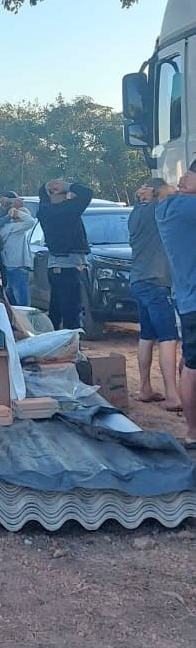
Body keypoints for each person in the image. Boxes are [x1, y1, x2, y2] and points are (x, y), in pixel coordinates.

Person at [128, 178, 181, 410]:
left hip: (139, 280)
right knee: (168, 338)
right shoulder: (156, 209)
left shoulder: (135, 213)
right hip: (156, 282)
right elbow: (172, 192)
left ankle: (145, 388)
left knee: (147, 335)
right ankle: (172, 395)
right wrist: (158, 192)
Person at [155, 161, 196, 448]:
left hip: (187, 300)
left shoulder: (166, 209)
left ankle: (193, 432)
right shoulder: (189, 209)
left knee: (191, 364)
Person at [36, 178, 93, 330]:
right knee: (72, 312)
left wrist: (46, 186)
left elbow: (42, 195)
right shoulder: (67, 211)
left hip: (55, 267)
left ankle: (55, 345)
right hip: (69, 267)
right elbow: (87, 193)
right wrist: (68, 186)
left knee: (56, 311)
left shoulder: (44, 210)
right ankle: (73, 348)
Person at [0, 199, 38, 306]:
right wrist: (17, 212)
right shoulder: (15, 228)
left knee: (12, 298)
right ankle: (25, 321)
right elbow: (31, 221)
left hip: (9, 266)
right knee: (23, 302)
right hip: (18, 267)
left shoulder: (5, 228)